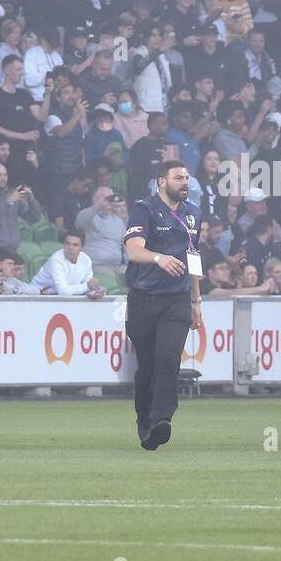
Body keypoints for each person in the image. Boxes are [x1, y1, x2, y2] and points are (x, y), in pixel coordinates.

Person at [122, 159, 202, 450]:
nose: (185, 183)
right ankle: (144, 419)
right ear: (161, 181)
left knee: (168, 360)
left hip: (177, 299)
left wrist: (196, 299)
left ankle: (161, 420)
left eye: (187, 177)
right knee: (147, 365)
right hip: (143, 298)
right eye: (178, 177)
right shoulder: (145, 209)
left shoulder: (194, 215)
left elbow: (194, 258)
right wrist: (159, 258)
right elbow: (133, 250)